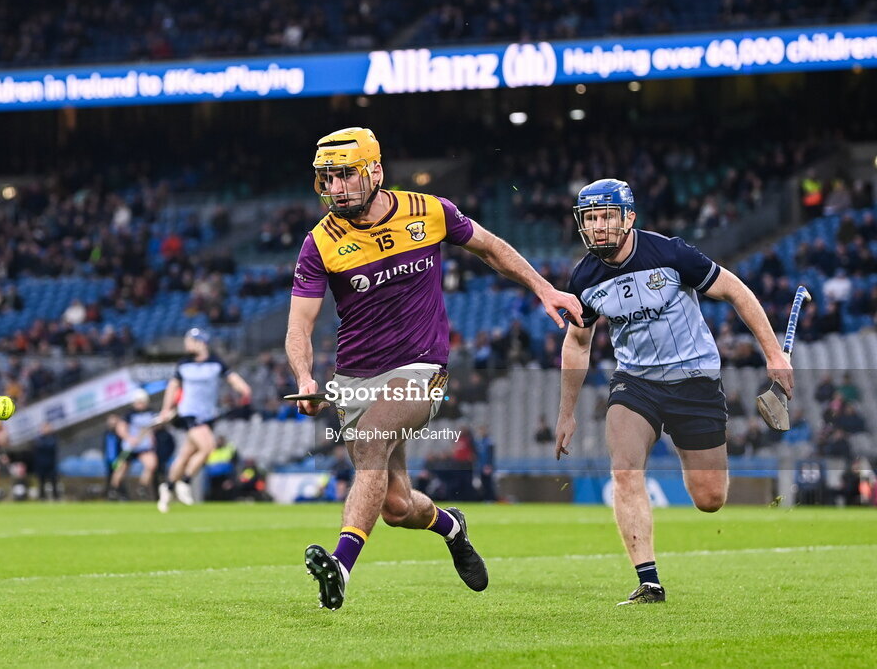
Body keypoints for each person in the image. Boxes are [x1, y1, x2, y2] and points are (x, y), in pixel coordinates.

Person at [287, 127, 583, 610]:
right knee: (398, 507)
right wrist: (304, 376)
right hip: (354, 382)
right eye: (327, 178)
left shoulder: (429, 211)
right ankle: (452, 526)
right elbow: (299, 325)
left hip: (422, 370)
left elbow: (491, 247)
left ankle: (339, 566)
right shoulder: (319, 243)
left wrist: (544, 288)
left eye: (345, 176)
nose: (335, 188)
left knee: (374, 438)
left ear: (375, 172)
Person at [554, 178, 794, 606]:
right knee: (624, 469)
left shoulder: (670, 253)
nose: (598, 226)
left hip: (695, 378)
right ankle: (649, 582)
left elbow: (736, 290)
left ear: (629, 217)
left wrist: (773, 353)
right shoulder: (584, 278)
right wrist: (566, 412)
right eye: (590, 218)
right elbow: (577, 342)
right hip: (635, 382)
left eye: (607, 215)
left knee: (709, 498)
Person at [157, 328, 251, 513]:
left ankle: (167, 487)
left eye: (190, 341)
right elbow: (172, 387)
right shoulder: (183, 364)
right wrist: (165, 410)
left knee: (185, 455)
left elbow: (233, 379)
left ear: (201, 342)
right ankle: (185, 482)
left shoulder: (215, 363)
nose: (186, 345)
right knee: (207, 447)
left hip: (208, 416)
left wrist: (244, 390)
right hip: (189, 414)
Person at [110, 389, 160, 501]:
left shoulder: (151, 413)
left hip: (144, 446)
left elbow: (157, 425)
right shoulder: (129, 414)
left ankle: (142, 487)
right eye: (138, 402)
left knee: (151, 464)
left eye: (142, 402)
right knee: (121, 468)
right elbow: (120, 428)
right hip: (130, 446)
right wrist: (129, 438)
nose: (141, 404)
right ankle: (114, 490)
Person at [32, 423, 60, 500]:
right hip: (41, 465)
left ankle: (56, 497)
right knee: (41, 483)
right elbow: (37, 448)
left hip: (51, 464)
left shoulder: (53, 438)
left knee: (54, 482)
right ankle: (42, 497)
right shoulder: (38, 438)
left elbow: (51, 447)